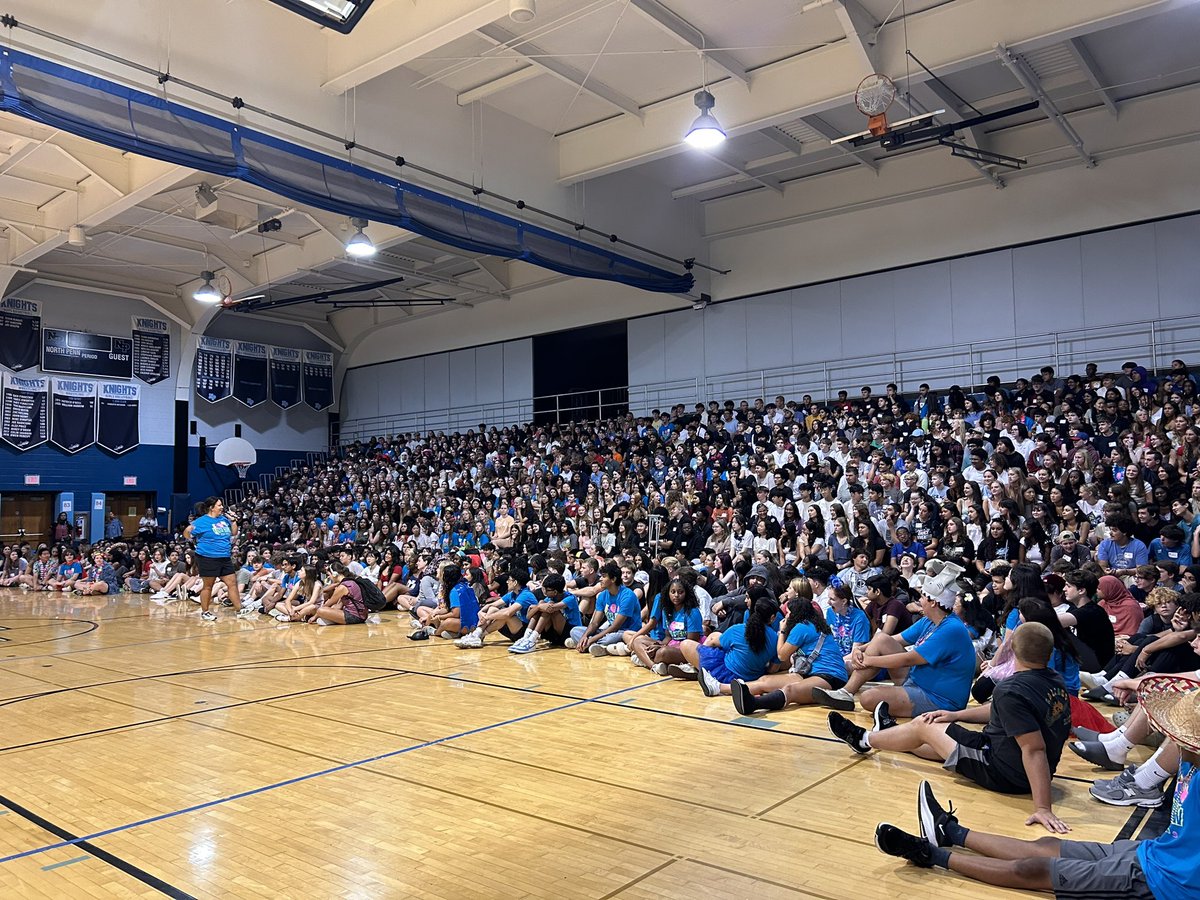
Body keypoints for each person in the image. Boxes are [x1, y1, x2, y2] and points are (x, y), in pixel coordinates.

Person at [873, 674, 1200, 900]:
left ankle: (930, 854)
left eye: (1178, 730)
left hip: (1165, 885)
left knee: (1032, 870)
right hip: (1153, 854)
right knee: (1045, 844)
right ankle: (951, 832)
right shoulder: (1185, 752)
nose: (1170, 732)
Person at [829, 622, 1072, 830]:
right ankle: (890, 731)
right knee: (935, 736)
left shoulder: (1011, 690)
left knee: (923, 725)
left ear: (1012, 650)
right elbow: (1004, 712)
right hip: (1011, 760)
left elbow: (1034, 749)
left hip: (1004, 772)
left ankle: (864, 739)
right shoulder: (1053, 679)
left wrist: (1042, 807)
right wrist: (956, 715)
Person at [813, 560, 976, 716]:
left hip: (939, 698)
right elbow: (896, 639)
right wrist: (859, 649)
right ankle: (846, 692)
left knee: (868, 698)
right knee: (881, 639)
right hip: (919, 680)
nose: (919, 601)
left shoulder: (951, 629)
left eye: (922, 597)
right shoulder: (929, 620)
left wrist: (868, 660)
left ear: (933, 602)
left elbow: (909, 659)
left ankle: (850, 692)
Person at [729, 587, 849, 713]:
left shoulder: (802, 627)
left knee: (790, 690)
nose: (786, 615)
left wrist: (782, 630)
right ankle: (720, 688)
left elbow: (781, 655)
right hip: (810, 673)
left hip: (830, 677)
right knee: (765, 680)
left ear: (796, 614)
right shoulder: (816, 625)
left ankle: (753, 704)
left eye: (789, 612)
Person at [568, 561, 642, 656]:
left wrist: (591, 639)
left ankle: (591, 645)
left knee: (609, 639)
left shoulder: (628, 596)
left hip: (625, 632)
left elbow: (616, 626)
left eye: (604, 576)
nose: (600, 579)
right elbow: (595, 623)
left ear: (613, 579)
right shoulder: (602, 595)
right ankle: (597, 647)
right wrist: (585, 636)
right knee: (575, 631)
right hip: (608, 631)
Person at [184, 496, 239, 622]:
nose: (222, 507)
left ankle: (239, 609)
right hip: (207, 557)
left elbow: (234, 533)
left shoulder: (224, 519)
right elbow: (187, 533)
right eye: (219, 505)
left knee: (232, 583)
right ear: (211, 508)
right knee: (208, 586)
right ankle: (205, 612)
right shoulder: (201, 522)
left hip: (224, 557)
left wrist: (234, 521)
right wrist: (191, 536)